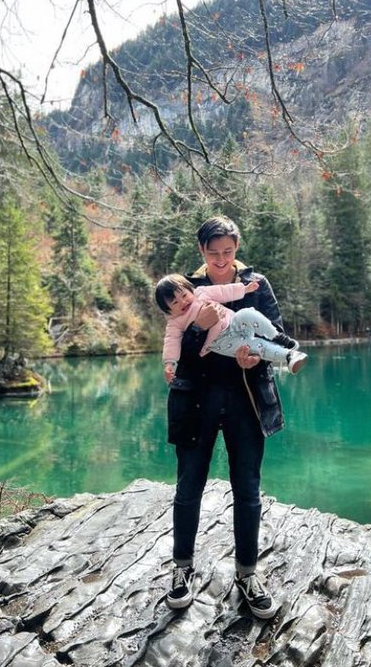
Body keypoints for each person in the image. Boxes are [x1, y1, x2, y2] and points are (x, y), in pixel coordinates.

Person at [163, 215, 298, 619]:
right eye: (213, 253)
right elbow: (176, 348)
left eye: (228, 252)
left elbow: (276, 331)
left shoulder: (257, 284)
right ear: (201, 251)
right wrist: (195, 331)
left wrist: (253, 355)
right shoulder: (184, 289)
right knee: (188, 487)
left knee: (248, 489)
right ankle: (182, 569)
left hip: (245, 398)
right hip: (197, 400)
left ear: (236, 249)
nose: (222, 260)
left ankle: (248, 574)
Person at [155, 274, 308, 382]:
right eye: (174, 303)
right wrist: (169, 364)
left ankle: (279, 337)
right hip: (221, 342)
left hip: (234, 322)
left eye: (184, 295)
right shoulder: (175, 323)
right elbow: (171, 342)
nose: (183, 302)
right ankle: (289, 356)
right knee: (255, 347)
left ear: (190, 290)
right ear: (168, 311)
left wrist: (245, 289)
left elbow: (223, 291)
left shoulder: (201, 293)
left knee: (248, 313)